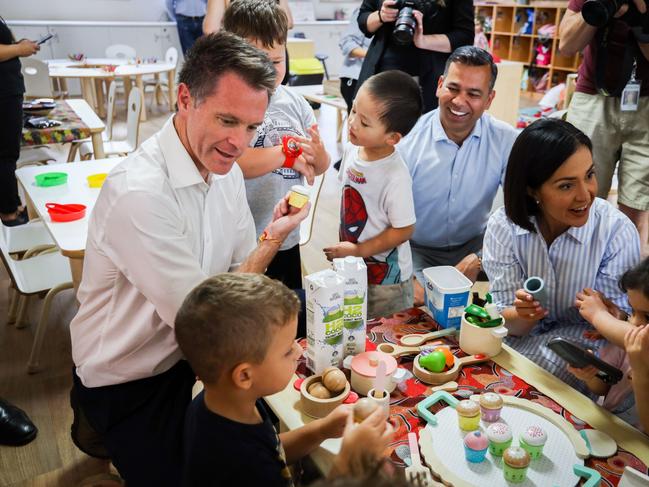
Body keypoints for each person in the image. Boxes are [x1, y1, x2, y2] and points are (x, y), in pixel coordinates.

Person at [69, 32, 310, 487]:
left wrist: (271, 239)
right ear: (185, 98)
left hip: (185, 361)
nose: (239, 142)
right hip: (126, 379)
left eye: (252, 127)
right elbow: (206, 322)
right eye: (227, 120)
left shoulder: (224, 173)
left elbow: (235, 288)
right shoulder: (140, 194)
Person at [176, 273, 393, 486]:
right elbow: (261, 462)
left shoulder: (227, 402)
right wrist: (349, 463)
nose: (299, 351)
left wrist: (322, 430)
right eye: (288, 350)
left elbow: (273, 451)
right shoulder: (241, 465)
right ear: (244, 376)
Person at [482, 118, 641, 393]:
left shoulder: (615, 231)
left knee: (503, 386)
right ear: (532, 190)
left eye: (589, 175)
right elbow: (510, 324)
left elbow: (612, 334)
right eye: (566, 185)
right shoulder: (504, 226)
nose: (585, 195)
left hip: (584, 358)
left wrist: (610, 315)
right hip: (519, 340)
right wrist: (524, 314)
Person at [397, 46, 517, 305]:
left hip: (478, 249)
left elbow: (521, 211)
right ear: (439, 85)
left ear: (489, 99)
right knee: (414, 312)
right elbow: (382, 216)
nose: (460, 101)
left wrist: (482, 257)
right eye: (453, 88)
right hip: (415, 250)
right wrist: (405, 274)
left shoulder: (507, 140)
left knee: (502, 316)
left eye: (474, 94)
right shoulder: (406, 139)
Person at [223, 0, 330, 290]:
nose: (267, 73)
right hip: (244, 237)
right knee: (248, 308)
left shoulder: (295, 102)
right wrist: (286, 155)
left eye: (275, 62)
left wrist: (317, 156)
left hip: (286, 234)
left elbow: (318, 167)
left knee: (286, 307)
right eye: (256, 63)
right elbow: (235, 162)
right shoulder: (231, 104)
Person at [323, 70, 421, 319]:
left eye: (365, 122)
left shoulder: (395, 176)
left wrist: (358, 251)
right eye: (354, 110)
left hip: (387, 285)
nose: (353, 122)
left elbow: (404, 230)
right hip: (352, 268)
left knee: (383, 337)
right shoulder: (353, 150)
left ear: (392, 138)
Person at [560, 0, 649, 254]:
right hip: (593, 97)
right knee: (579, 195)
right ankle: (574, 268)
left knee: (636, 207)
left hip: (645, 105)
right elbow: (566, 44)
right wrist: (597, 9)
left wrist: (638, 17)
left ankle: (622, 281)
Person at [568, 258, 649, 431]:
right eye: (632, 311)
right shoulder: (623, 342)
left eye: (647, 317)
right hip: (608, 430)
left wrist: (641, 375)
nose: (634, 322)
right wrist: (590, 375)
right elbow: (604, 389)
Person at [356, 0, 473, 112]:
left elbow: (464, 36)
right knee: (375, 123)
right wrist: (381, 16)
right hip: (382, 72)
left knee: (422, 128)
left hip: (429, 79)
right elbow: (363, 20)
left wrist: (424, 41)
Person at [0, 17, 39, 226]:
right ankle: (9, 214)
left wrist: (18, 46)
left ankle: (12, 205)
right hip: (4, 92)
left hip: (7, 90)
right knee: (6, 154)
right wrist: (18, 50)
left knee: (7, 155)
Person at [339, 7, 372, 113]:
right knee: (358, 124)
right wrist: (374, 55)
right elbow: (347, 44)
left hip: (379, 80)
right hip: (355, 78)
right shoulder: (363, 11)